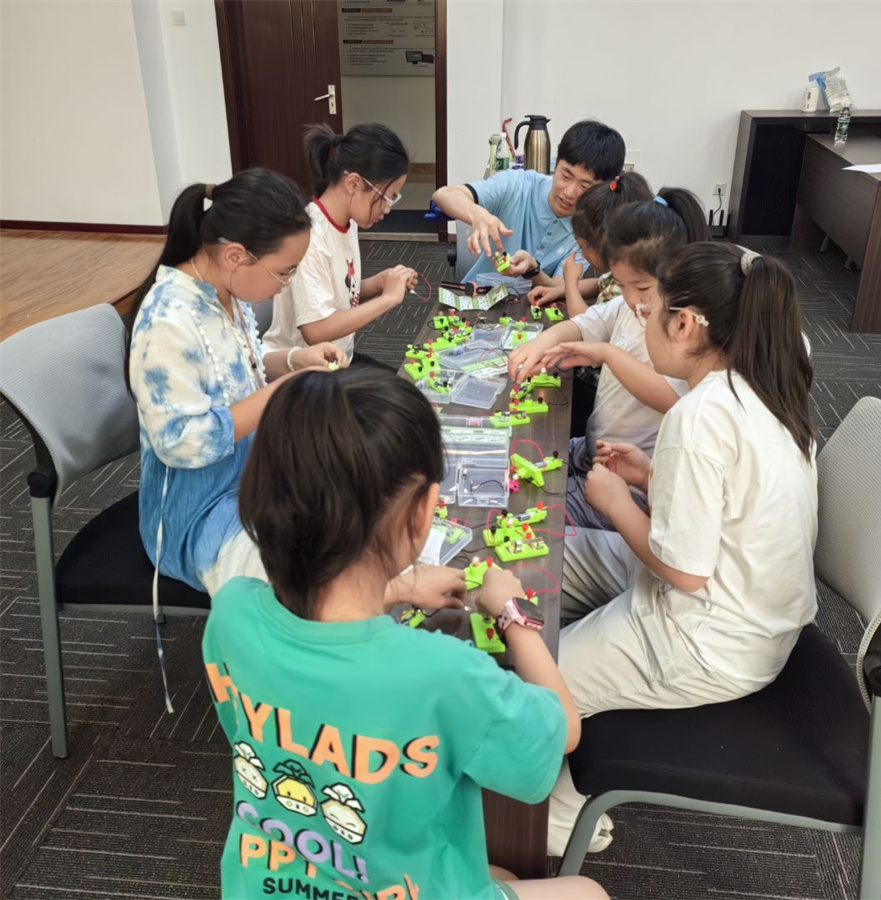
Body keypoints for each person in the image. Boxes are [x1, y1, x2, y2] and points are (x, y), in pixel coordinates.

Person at [203, 367, 609, 900]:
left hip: (263, 883)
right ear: (422, 514)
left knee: (502, 876)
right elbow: (560, 734)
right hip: (409, 888)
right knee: (588, 892)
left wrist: (397, 586)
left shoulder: (231, 610)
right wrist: (511, 613)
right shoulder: (444, 673)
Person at [547, 243, 818, 857]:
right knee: (556, 553)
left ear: (687, 325)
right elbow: (733, 508)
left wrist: (616, 501)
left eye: (651, 311)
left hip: (709, 635)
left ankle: (558, 819)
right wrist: (650, 477)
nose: (641, 321)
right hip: (746, 605)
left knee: (538, 684)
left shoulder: (698, 416)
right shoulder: (765, 387)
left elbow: (685, 571)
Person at [128, 169, 347, 599]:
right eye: (284, 272)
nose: (285, 285)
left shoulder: (224, 290)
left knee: (355, 505)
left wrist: (293, 359)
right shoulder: (168, 320)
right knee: (309, 580)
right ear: (235, 256)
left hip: (252, 480)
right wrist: (280, 393)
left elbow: (236, 370)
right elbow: (183, 443)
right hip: (195, 515)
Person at [508, 189, 708, 528]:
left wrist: (608, 354)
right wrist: (542, 342)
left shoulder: (684, 330)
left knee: (532, 513)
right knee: (521, 458)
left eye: (641, 288)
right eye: (621, 284)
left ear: (676, 276)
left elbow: (674, 400)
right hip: (596, 450)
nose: (629, 298)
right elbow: (582, 324)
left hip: (630, 478)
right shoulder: (626, 306)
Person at [264, 123, 418, 367]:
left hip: (339, 358)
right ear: (353, 184)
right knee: (405, 388)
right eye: (387, 197)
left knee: (413, 383)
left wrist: (380, 282)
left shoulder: (348, 221)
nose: (388, 209)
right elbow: (316, 330)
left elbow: (339, 293)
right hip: (306, 370)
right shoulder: (310, 236)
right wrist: (387, 298)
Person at [432, 120, 625, 286]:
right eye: (566, 176)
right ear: (556, 163)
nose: (569, 192)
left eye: (585, 186)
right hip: (475, 298)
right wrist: (478, 215)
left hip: (531, 311)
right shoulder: (518, 184)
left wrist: (533, 270)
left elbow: (559, 287)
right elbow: (443, 194)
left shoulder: (589, 228)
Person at [527, 172, 654, 314]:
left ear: (602, 245)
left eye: (581, 246)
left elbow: (584, 323)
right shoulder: (627, 271)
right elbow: (598, 284)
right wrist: (557, 291)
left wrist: (570, 282)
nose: (581, 253)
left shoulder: (622, 293)